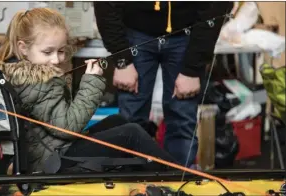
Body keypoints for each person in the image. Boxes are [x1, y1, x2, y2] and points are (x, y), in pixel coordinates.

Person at [0, 8, 178, 174]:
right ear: (23, 48)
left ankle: (160, 171)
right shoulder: (36, 81)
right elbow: (67, 129)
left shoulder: (24, 75)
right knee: (131, 132)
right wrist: (91, 82)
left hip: (52, 151)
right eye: (48, 52)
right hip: (52, 162)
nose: (56, 60)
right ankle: (177, 174)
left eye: (61, 51)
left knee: (118, 121)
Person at [94, 2, 234, 167]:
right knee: (130, 123)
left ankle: (177, 185)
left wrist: (192, 68)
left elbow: (215, 6)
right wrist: (122, 60)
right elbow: (105, 4)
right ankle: (131, 182)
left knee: (182, 122)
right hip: (135, 31)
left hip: (187, 33)